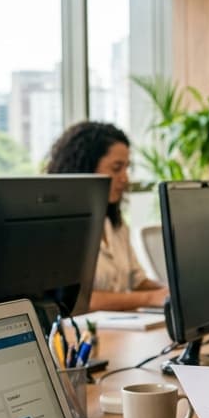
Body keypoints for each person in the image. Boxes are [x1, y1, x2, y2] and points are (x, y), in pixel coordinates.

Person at [44, 121, 168, 311]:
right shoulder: (58, 228)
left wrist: (173, 292)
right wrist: (150, 298)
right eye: (117, 168)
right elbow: (79, 301)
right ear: (85, 169)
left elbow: (137, 281)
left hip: (122, 331)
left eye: (127, 168)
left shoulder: (114, 222)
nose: (125, 178)